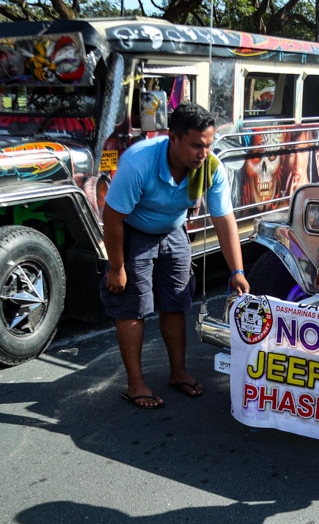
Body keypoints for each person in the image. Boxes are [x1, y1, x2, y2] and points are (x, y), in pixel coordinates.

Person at [102, 102, 249, 409]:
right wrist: (116, 267)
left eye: (208, 145)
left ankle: (178, 372)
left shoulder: (210, 167)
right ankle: (135, 384)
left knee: (176, 301)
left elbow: (224, 219)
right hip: (134, 231)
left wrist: (237, 271)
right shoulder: (138, 162)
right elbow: (112, 218)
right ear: (173, 137)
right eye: (196, 145)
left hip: (173, 229)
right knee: (133, 306)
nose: (203, 153)